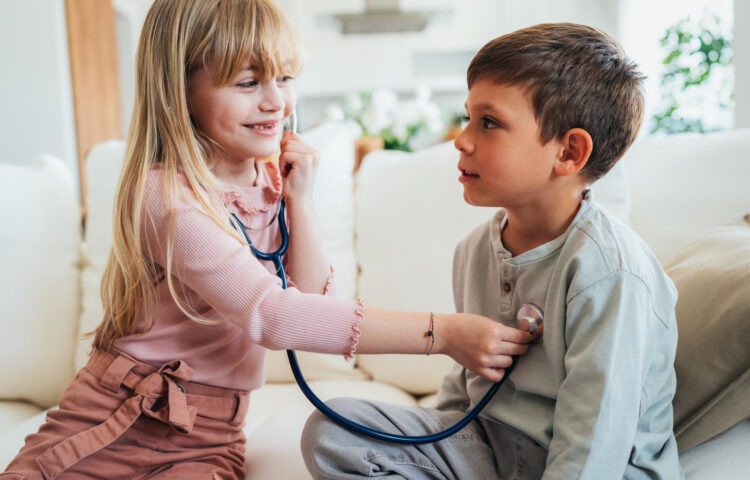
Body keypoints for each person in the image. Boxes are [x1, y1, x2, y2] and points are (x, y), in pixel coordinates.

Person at [0, 1, 533, 479]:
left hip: (208, 437)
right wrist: (444, 333)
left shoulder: (269, 182)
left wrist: (300, 200)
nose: (276, 101)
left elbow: (309, 307)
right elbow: (273, 317)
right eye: (248, 83)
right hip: (115, 419)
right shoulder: (165, 197)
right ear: (182, 89)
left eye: (284, 77)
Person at [301, 22, 683, 479]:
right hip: (493, 447)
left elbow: (595, 436)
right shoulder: (475, 250)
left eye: (488, 122)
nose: (461, 140)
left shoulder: (610, 273)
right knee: (332, 431)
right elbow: (467, 393)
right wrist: (430, 439)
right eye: (467, 118)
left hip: (586, 462)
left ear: (569, 153)